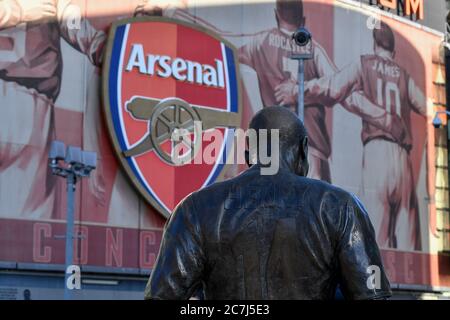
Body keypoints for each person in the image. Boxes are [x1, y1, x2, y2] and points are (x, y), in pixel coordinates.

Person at [145, 106, 391, 300]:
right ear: (303, 151)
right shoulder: (342, 207)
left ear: (247, 153)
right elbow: (373, 294)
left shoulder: (194, 209)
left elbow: (162, 295)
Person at [238, 0, 404, 183]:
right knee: (315, 209)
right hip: (310, 154)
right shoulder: (313, 49)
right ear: (302, 20)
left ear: (276, 15)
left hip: (273, 157)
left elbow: (231, 55)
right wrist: (386, 120)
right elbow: (344, 94)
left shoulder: (259, 43)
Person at [304, 21, 425, 251]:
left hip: (376, 151)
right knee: (408, 240)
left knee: (376, 237)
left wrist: (301, 87)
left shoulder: (364, 63)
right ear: (394, 51)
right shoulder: (404, 76)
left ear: (375, 44)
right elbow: (428, 106)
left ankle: (376, 285)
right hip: (403, 158)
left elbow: (332, 88)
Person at [0, 0, 105, 219]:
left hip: (31, 101)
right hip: (27, 94)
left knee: (28, 215)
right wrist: (18, 11)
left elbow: (70, 20)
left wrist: (102, 46)